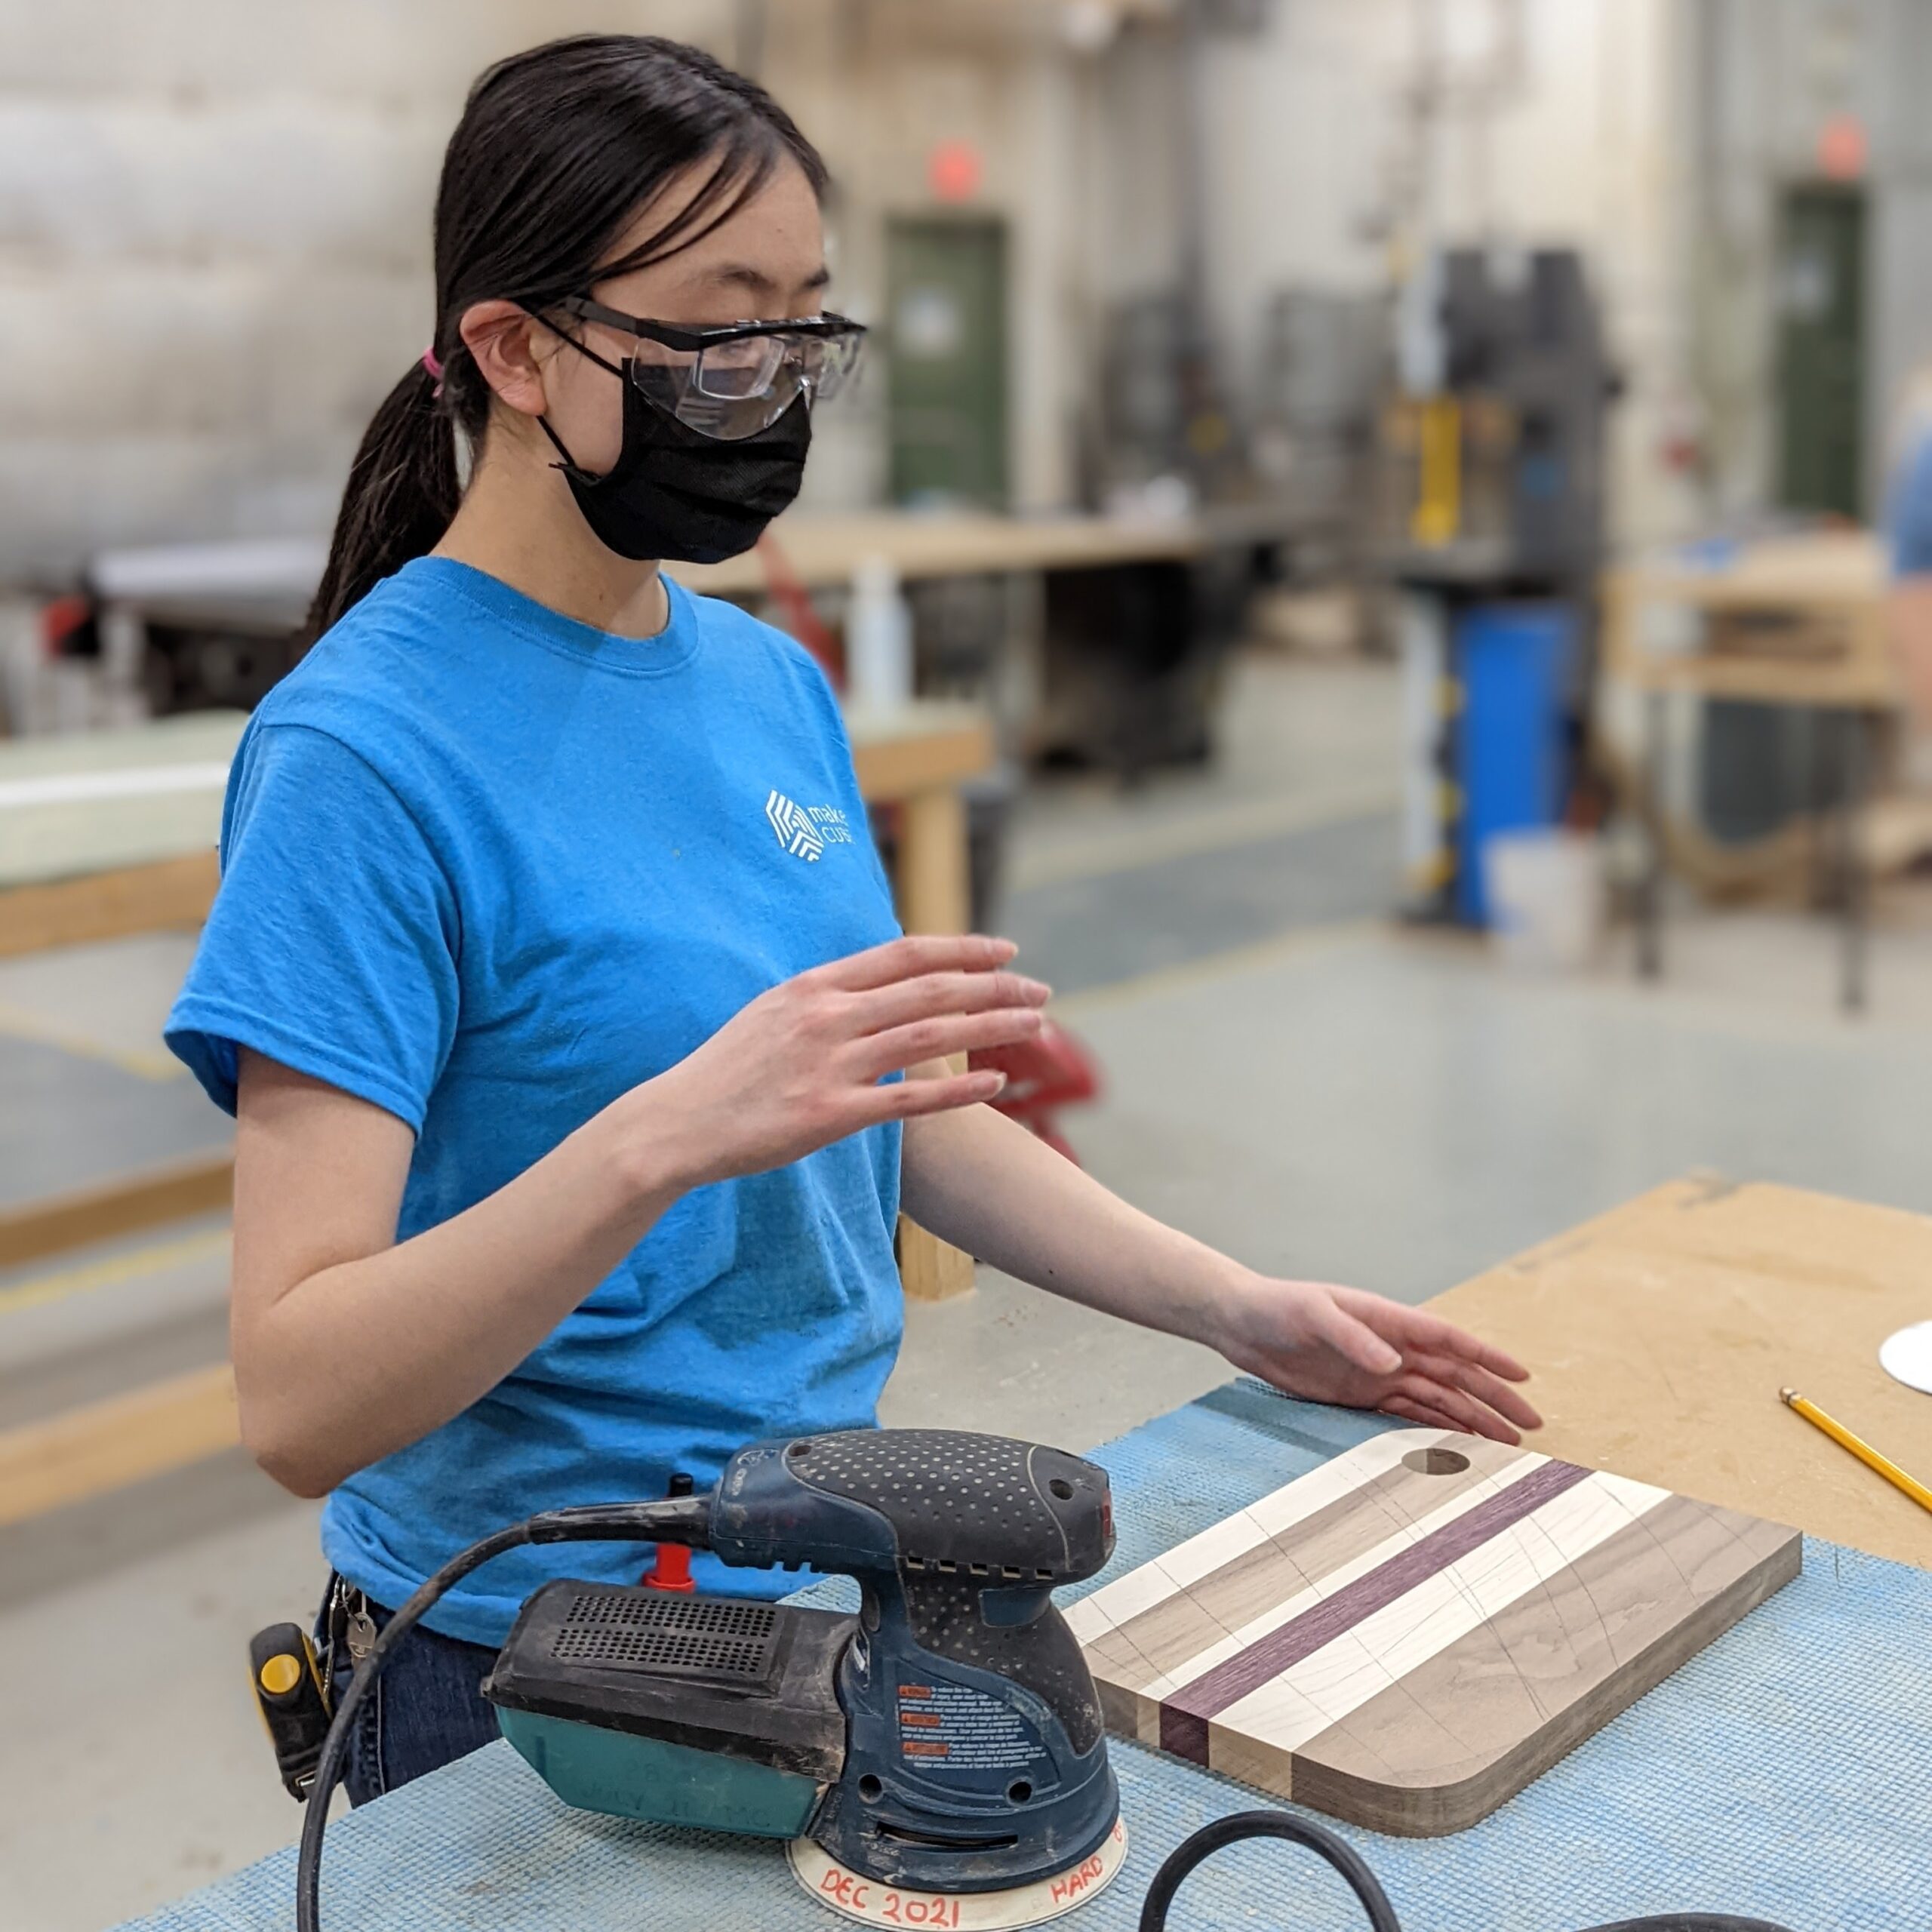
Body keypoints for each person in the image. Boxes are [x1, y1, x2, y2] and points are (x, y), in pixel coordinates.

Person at [165, 34, 1538, 1804]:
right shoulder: (363, 755)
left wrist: (1232, 1302)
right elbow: (297, 1395)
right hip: (519, 1665)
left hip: (825, 1566)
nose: (768, 381)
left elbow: (895, 1115)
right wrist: (664, 1133)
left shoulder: (761, 683)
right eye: (714, 326)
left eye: (803, 325)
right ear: (513, 349)